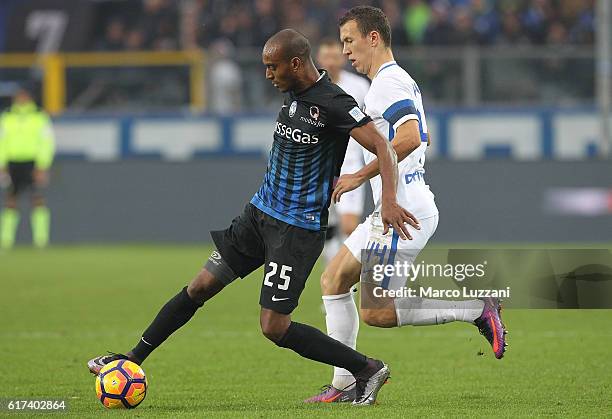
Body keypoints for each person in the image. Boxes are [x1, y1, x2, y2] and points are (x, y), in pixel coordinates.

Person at [87, 28, 419, 406]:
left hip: (295, 230)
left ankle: (367, 368)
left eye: (272, 67)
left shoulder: (335, 103)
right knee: (198, 287)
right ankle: (130, 360)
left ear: (295, 63)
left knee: (273, 326)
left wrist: (387, 199)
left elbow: (383, 146)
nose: (267, 75)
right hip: (257, 216)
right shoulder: (294, 93)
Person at [305, 6, 507, 403]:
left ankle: (475, 309)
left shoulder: (387, 84)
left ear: (374, 38)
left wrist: (360, 177)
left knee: (377, 312)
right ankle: (343, 385)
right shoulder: (391, 80)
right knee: (333, 282)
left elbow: (410, 136)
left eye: (350, 40)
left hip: (402, 210)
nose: (346, 51)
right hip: (394, 205)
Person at [316, 38, 370, 264]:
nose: (331, 61)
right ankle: (335, 285)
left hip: (350, 163)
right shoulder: (310, 87)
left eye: (335, 56)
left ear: (343, 58)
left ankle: (350, 275)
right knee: (324, 229)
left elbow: (371, 124)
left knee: (349, 227)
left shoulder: (359, 86)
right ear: (319, 59)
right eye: (326, 56)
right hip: (319, 165)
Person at [0, 87, 54, 250]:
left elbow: (47, 141)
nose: (21, 98)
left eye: (24, 95)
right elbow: (2, 141)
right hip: (12, 162)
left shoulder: (39, 116)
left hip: (32, 162)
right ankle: (6, 240)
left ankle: (41, 240)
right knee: (11, 199)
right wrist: (2, 164)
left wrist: (42, 165)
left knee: (37, 199)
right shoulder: (7, 116)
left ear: (30, 97)